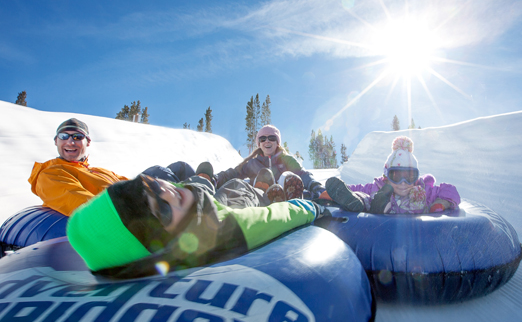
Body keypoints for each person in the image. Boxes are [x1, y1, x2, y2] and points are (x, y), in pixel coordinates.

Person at [67, 174, 328, 277]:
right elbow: (277, 217)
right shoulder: (226, 232)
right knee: (241, 192)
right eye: (163, 212)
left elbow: (175, 192)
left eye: (153, 185)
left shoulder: (180, 199)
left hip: (207, 203)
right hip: (229, 209)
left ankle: (257, 186)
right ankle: (262, 190)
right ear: (163, 247)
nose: (168, 193)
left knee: (227, 188)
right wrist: (312, 207)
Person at [28, 118, 197, 216]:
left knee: (180, 168)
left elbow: (130, 183)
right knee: (158, 173)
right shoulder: (51, 173)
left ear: (87, 142)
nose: (70, 142)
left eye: (78, 137)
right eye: (64, 136)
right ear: (56, 141)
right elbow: (82, 204)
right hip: (123, 214)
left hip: (135, 202)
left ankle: (207, 195)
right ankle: (201, 209)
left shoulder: (99, 171)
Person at [325, 136, 460, 214]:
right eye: (396, 176)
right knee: (367, 197)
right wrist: (329, 193)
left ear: (416, 178)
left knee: (370, 199)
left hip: (414, 232)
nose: (403, 183)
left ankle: (376, 207)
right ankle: (357, 202)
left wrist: (441, 203)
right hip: (381, 218)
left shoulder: (424, 190)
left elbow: (451, 190)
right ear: (386, 178)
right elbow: (356, 187)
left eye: (409, 177)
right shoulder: (379, 187)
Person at [215, 125, 325, 201]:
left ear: (277, 143)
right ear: (259, 143)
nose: (267, 141)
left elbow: (303, 174)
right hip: (259, 200)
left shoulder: (286, 159)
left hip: (286, 201)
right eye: (263, 139)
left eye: (271, 138)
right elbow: (232, 173)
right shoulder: (252, 163)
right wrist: (214, 179)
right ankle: (267, 194)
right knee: (254, 180)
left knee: (288, 176)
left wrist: (316, 187)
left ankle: (286, 193)